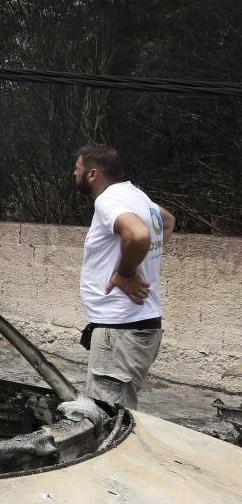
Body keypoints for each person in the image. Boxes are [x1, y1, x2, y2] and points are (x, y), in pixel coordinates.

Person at [73, 144, 175, 408]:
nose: (74, 173)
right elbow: (168, 221)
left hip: (120, 331)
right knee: (119, 410)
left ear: (93, 174)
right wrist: (143, 261)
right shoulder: (137, 197)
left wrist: (125, 272)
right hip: (139, 325)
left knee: (107, 419)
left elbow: (138, 235)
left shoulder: (108, 200)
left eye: (78, 168)